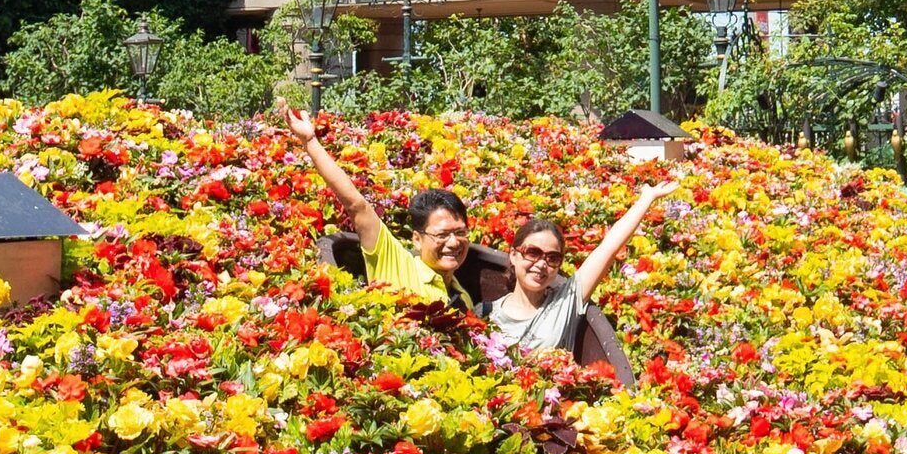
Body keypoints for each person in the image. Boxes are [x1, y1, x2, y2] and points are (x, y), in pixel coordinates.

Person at [286, 106, 478, 307]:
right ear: (417, 240)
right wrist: (310, 141)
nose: (454, 242)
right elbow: (355, 204)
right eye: (442, 235)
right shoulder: (396, 262)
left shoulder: (462, 297)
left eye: (460, 232)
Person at [492, 183, 674, 355]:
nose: (541, 264)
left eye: (552, 258)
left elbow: (609, 246)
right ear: (514, 255)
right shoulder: (486, 313)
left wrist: (647, 198)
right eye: (532, 253)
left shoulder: (565, 302)